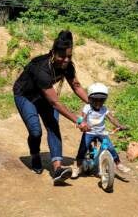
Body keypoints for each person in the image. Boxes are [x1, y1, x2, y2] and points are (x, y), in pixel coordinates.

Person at [13, 30, 90, 185]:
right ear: (53, 52)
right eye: (62, 56)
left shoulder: (68, 66)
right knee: (35, 131)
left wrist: (93, 103)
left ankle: (57, 169)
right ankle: (35, 155)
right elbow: (55, 102)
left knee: (53, 127)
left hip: (43, 96)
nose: (66, 60)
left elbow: (76, 86)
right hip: (25, 95)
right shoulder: (42, 68)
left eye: (69, 56)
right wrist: (78, 119)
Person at [72, 82, 131, 178]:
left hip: (101, 132)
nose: (98, 103)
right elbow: (82, 118)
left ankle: (118, 164)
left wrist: (119, 125)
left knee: (110, 148)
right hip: (89, 132)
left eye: (102, 100)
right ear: (90, 99)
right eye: (95, 100)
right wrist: (82, 124)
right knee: (82, 149)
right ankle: (77, 167)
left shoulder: (104, 109)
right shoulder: (87, 107)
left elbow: (111, 118)